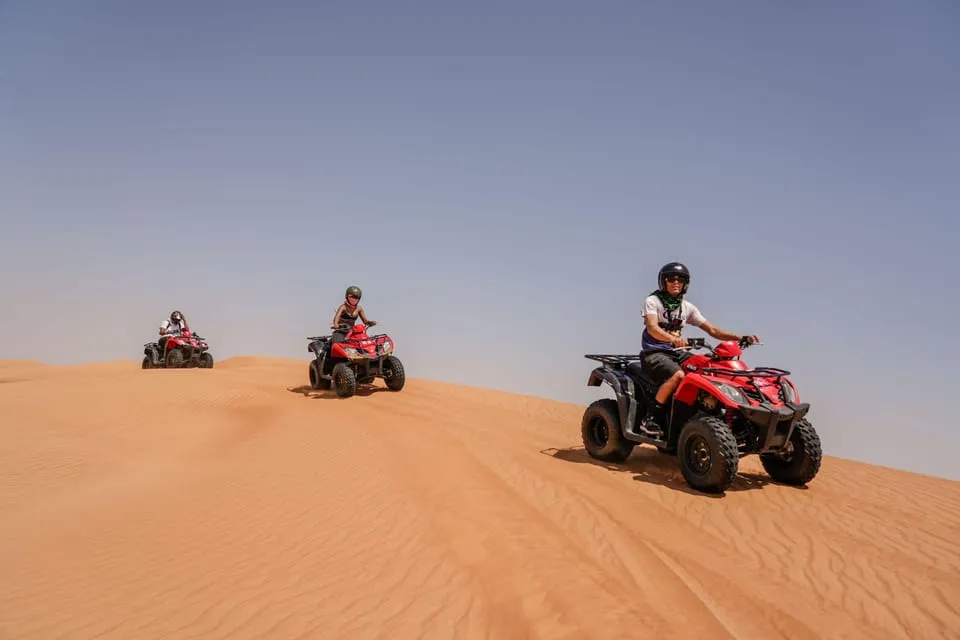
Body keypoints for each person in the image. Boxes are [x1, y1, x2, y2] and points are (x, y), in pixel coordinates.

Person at [635, 262, 759, 437]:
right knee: (677, 375)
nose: (675, 282)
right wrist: (672, 339)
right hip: (654, 353)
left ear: (686, 284)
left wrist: (740, 337)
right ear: (663, 282)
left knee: (705, 367)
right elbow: (652, 328)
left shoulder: (687, 307)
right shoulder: (652, 301)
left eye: (680, 279)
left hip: (677, 353)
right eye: (671, 279)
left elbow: (713, 330)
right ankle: (651, 419)